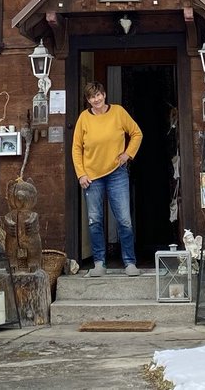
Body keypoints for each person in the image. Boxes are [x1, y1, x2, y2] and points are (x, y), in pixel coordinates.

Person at [72, 80, 143, 276]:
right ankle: (99, 263)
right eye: (92, 97)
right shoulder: (83, 119)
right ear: (88, 100)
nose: (96, 99)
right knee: (94, 221)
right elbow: (76, 148)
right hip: (92, 176)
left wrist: (128, 154)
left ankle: (129, 262)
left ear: (104, 95)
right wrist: (81, 174)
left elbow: (136, 133)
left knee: (124, 219)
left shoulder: (118, 112)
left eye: (98, 95)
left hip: (117, 173)